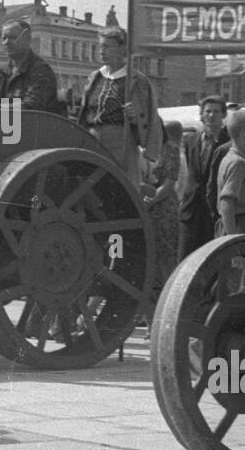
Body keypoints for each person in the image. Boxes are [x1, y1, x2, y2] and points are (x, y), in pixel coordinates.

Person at [76, 26, 160, 176]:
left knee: (119, 183)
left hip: (119, 143)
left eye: (107, 46)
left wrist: (135, 116)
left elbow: (150, 118)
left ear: (123, 49)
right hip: (91, 140)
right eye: (100, 46)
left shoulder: (136, 80)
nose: (102, 51)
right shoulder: (95, 77)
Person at [215, 109, 245, 295]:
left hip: (239, 228)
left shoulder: (233, 160)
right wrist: (233, 243)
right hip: (240, 228)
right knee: (241, 290)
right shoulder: (238, 164)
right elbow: (226, 203)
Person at [177, 95, 229, 260]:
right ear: (202, 115)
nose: (212, 115)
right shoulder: (191, 140)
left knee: (210, 261)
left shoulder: (228, 142)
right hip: (191, 209)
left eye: (216, 112)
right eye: (208, 111)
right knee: (184, 259)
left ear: (223, 115)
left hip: (213, 211)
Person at [143, 120, 183, 300]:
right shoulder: (144, 151)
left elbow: (169, 185)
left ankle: (171, 300)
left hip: (163, 209)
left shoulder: (171, 150)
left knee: (166, 258)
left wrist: (150, 201)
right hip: (147, 208)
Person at [0, 18, 62, 112]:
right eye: (4, 38)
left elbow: (32, 106)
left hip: (35, 124)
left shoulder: (40, 70)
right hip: (7, 123)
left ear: (27, 39)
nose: (6, 42)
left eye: (13, 37)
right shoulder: (1, 72)